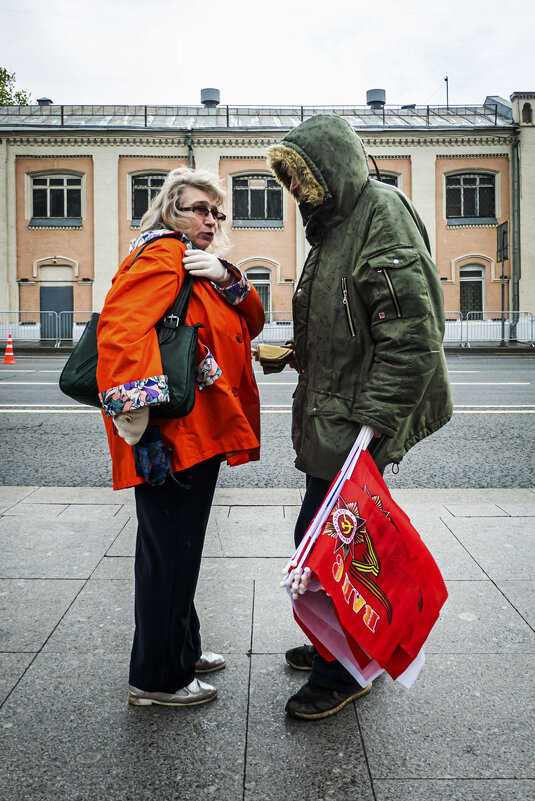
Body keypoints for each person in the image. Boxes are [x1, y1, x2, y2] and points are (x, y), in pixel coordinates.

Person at [267, 115, 452, 720]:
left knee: (324, 542)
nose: (296, 194)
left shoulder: (380, 213)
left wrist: (374, 426)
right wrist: (296, 352)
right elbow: (346, 321)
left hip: (356, 420)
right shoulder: (334, 226)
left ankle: (342, 670)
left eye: (302, 181)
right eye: (289, 184)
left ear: (331, 169)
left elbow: (412, 336)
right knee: (332, 540)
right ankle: (339, 642)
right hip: (335, 410)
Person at [96, 167, 264, 708]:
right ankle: (157, 678)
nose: (210, 219)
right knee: (169, 553)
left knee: (178, 550)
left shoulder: (197, 265)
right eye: (198, 208)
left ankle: (181, 646)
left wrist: (227, 276)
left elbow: (251, 322)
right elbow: (120, 331)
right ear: (170, 209)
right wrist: (137, 425)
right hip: (172, 436)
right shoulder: (165, 254)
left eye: (217, 212)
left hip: (199, 428)